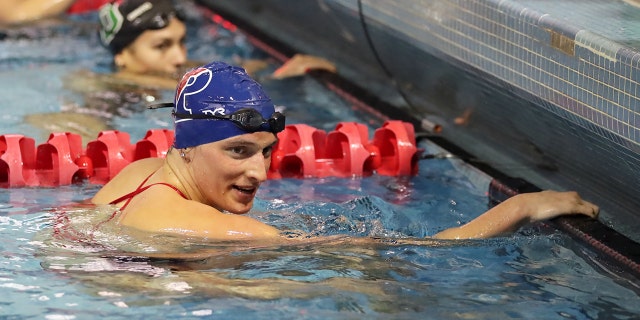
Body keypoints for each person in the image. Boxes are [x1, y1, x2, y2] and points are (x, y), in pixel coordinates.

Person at [90, 60, 600, 242]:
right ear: (190, 146)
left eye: (266, 152)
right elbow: (425, 252)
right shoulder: (211, 228)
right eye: (239, 150)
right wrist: (522, 205)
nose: (260, 172)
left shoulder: (140, 173)